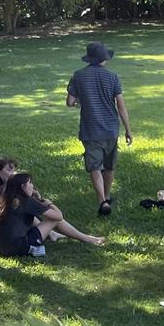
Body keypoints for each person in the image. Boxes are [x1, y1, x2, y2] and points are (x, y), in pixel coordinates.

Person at [67, 42, 132, 216]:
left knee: (95, 166)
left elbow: (70, 102)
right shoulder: (113, 77)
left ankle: (101, 200)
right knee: (109, 166)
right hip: (110, 128)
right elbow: (121, 106)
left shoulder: (78, 76)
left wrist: (82, 101)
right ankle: (108, 196)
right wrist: (128, 129)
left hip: (90, 129)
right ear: (104, 59)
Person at [0, 173, 107, 257]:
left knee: (31, 217)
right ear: (22, 187)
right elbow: (58, 216)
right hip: (17, 248)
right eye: (30, 183)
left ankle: (54, 235)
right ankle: (86, 238)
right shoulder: (26, 201)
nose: (32, 186)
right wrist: (48, 202)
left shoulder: (4, 199)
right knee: (54, 220)